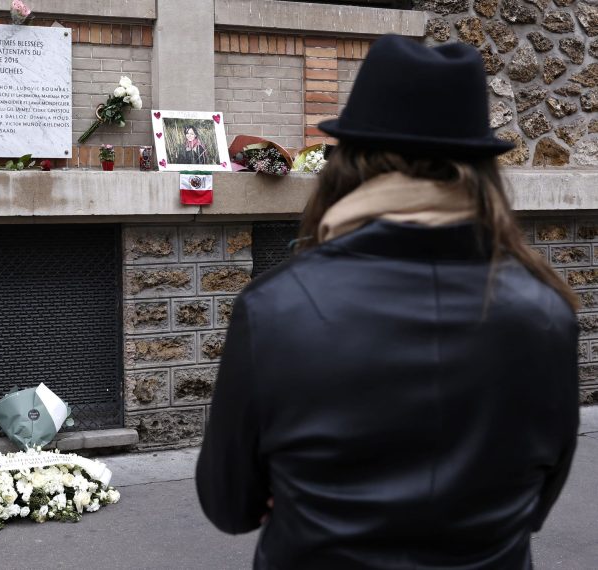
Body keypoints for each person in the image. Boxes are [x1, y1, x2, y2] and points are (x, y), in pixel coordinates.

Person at [195, 34, 579, 569]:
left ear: (349, 161)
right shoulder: (546, 312)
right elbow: (533, 505)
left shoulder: (276, 307)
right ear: (482, 171)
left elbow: (230, 505)